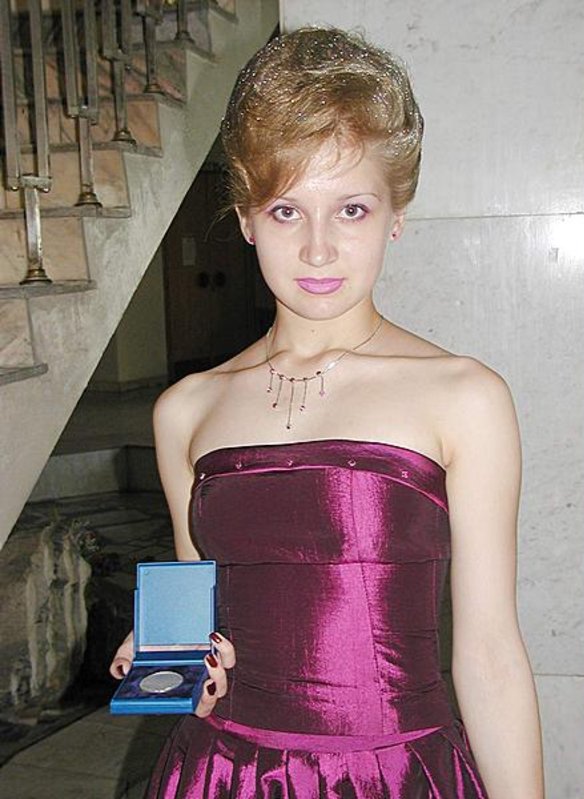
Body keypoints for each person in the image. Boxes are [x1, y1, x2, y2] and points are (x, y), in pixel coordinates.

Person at [110, 26, 544, 798]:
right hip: (221, 771)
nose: (317, 249)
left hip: (392, 773)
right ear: (246, 218)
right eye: (286, 211)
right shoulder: (187, 409)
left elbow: (488, 655)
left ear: (395, 215)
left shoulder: (462, 395)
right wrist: (174, 655)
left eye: (350, 209)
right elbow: (192, 613)